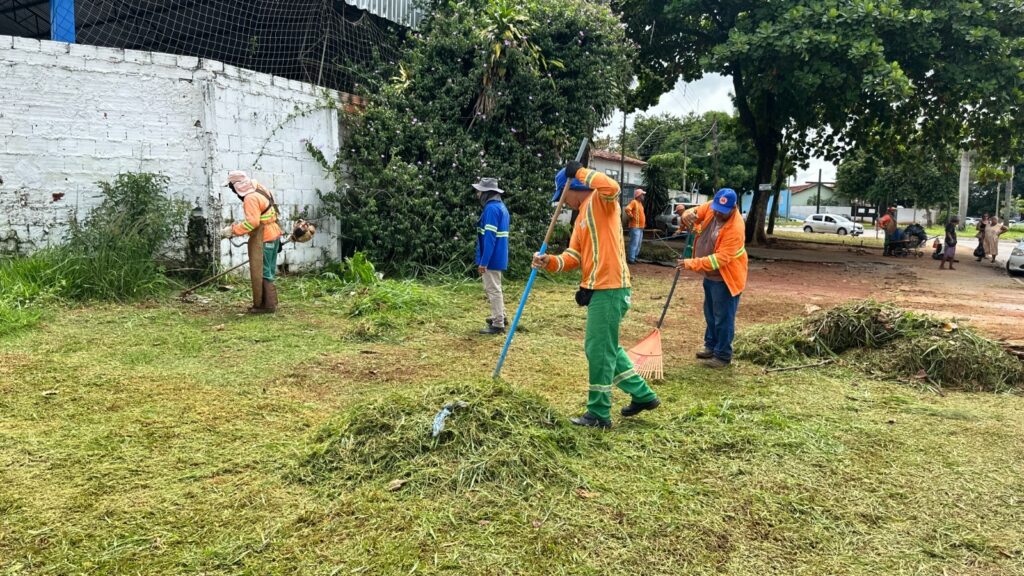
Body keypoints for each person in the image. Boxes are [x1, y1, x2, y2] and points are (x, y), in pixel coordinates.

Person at [532, 161, 660, 429]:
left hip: (610, 287)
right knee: (605, 347)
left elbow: (612, 187)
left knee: (598, 349)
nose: (563, 203)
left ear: (572, 188)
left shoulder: (601, 201)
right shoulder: (580, 218)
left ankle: (599, 413)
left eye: (562, 196)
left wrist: (579, 171)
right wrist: (550, 261)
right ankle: (643, 395)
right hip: (598, 288)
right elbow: (573, 256)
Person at [675, 188, 749, 368]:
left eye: (722, 212)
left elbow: (720, 259)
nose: (717, 214)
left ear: (734, 208)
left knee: (723, 317)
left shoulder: (735, 228)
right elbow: (694, 213)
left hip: (726, 278)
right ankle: (711, 345)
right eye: (716, 209)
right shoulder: (712, 207)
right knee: (710, 313)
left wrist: (691, 263)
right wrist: (687, 215)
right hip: (710, 275)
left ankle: (722, 355)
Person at [219, 171, 281, 313]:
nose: (233, 191)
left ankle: (266, 306)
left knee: (262, 270)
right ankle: (270, 303)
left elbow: (252, 223)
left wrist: (232, 230)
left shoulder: (250, 198)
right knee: (269, 270)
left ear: (237, 186)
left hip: (264, 237)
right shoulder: (260, 188)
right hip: (274, 233)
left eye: (231, 187)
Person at [473, 177, 510, 335]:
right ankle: (501, 315)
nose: (477, 194)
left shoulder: (491, 209)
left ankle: (498, 324)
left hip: (492, 257)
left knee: (492, 289)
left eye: (479, 191)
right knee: (496, 287)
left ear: (487, 193)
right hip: (498, 255)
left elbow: (489, 238)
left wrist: (484, 262)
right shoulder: (501, 207)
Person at [625, 188, 646, 264]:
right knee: (634, 243)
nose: (643, 196)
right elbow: (627, 209)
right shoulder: (634, 202)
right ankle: (631, 259)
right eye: (642, 195)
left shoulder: (640, 204)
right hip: (635, 227)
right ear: (639, 195)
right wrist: (631, 216)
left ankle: (635, 257)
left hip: (640, 227)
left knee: (638, 244)